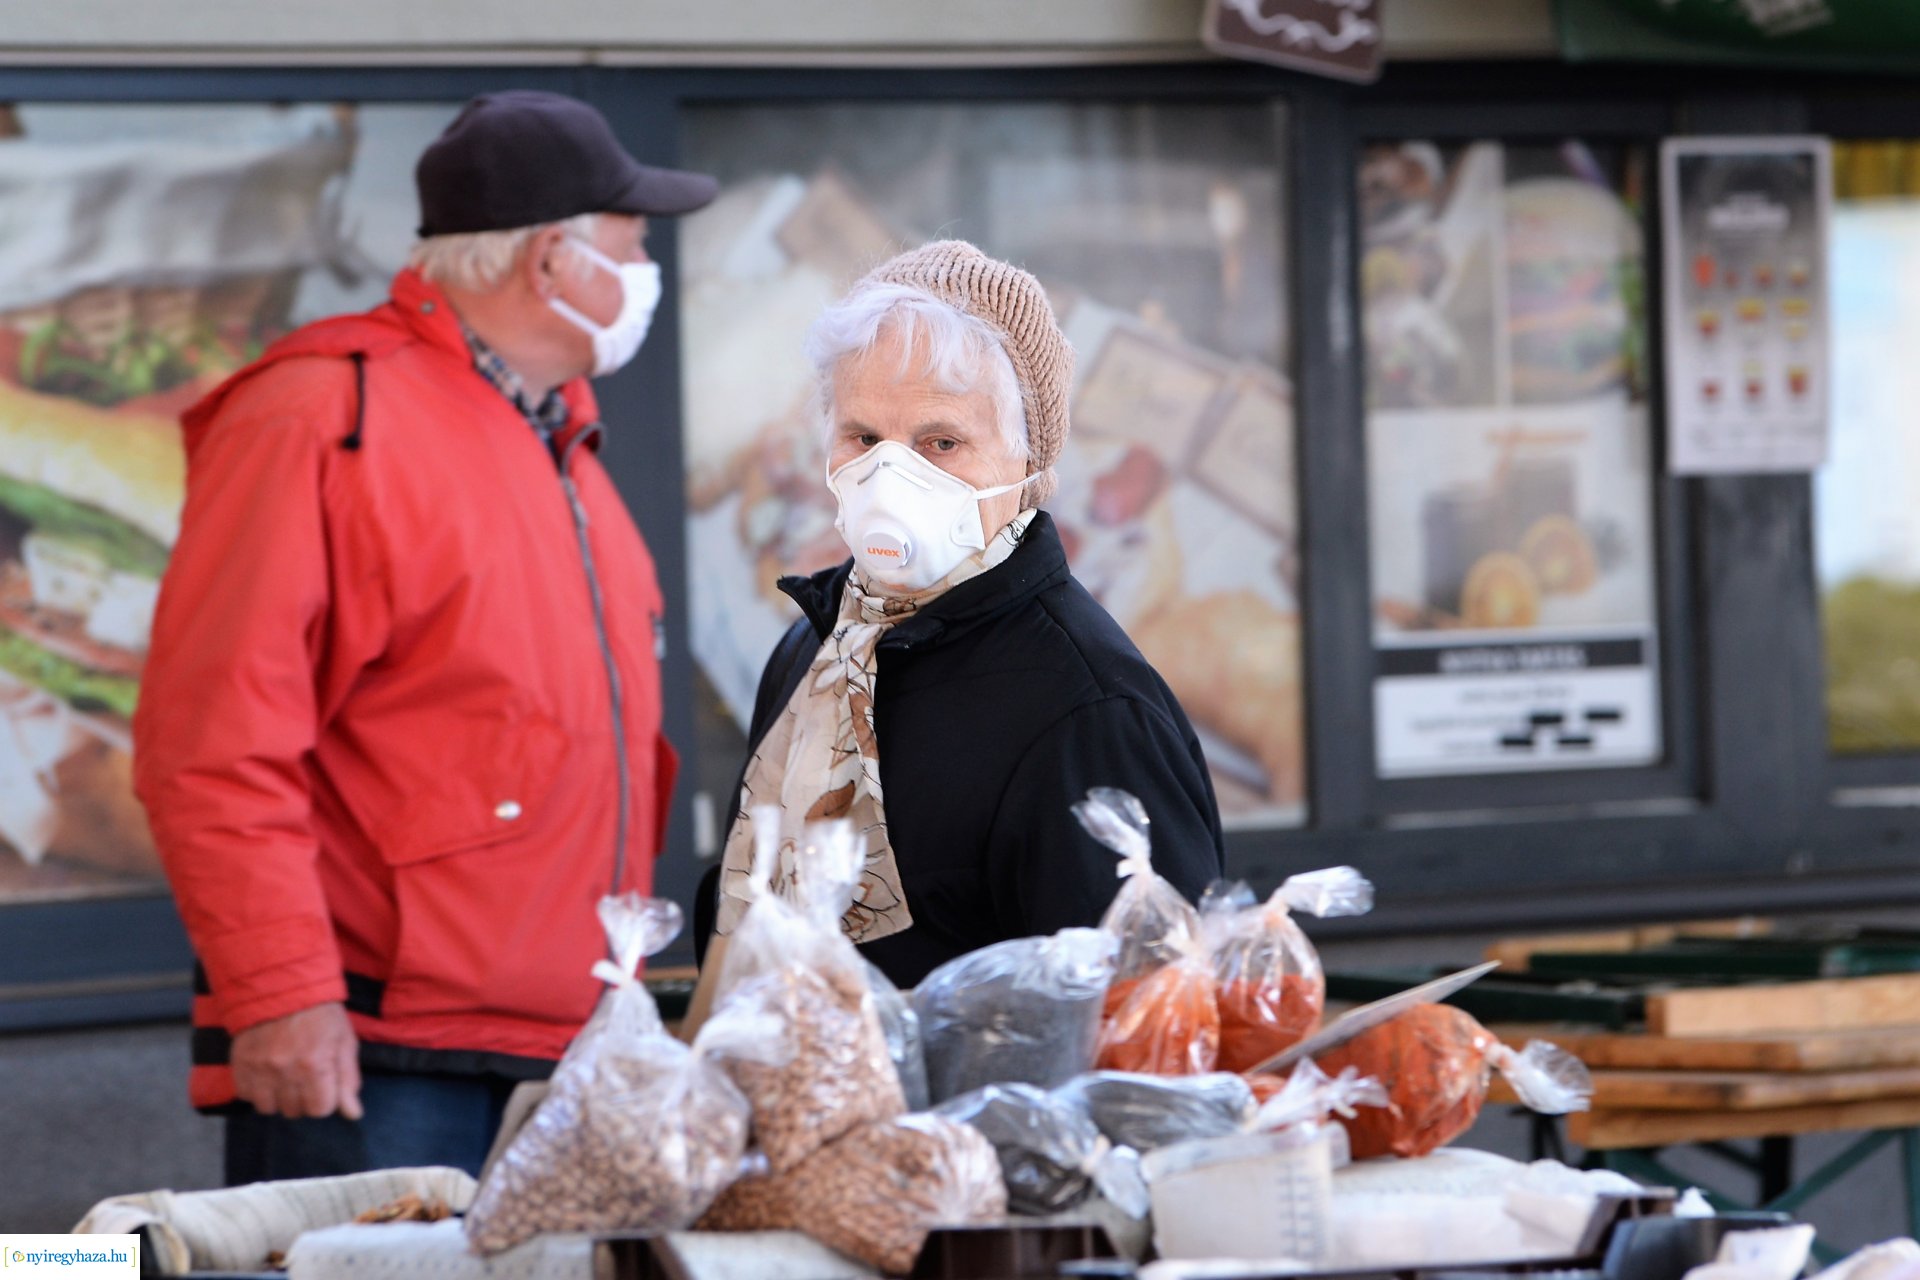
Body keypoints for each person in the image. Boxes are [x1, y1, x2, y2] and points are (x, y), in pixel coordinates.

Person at [132, 91, 716, 1183]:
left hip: (564, 1053)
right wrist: (283, 996)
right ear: (554, 260)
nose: (647, 271)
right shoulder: (321, 413)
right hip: (375, 1057)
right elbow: (211, 739)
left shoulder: (561, 443)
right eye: (634, 241)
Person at [695, 240, 1226, 987]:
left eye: (940, 443)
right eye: (863, 438)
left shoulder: (1089, 714)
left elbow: (1151, 1038)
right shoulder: (815, 646)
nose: (888, 476)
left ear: (1029, 461)